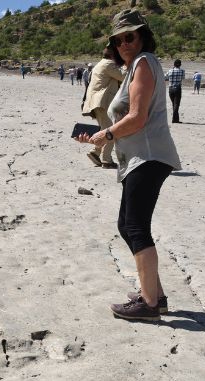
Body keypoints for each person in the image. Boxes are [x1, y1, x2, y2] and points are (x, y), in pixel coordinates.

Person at [75, 9, 181, 321]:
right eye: (118, 39)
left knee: (135, 227)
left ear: (143, 36)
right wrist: (98, 137)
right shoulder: (135, 66)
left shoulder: (144, 62)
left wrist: (106, 133)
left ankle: (149, 305)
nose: (124, 43)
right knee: (128, 225)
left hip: (148, 157)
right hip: (139, 159)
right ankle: (155, 296)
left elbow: (137, 117)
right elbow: (127, 117)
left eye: (130, 36)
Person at [82, 47, 125, 169]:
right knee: (111, 131)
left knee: (105, 129)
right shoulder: (109, 64)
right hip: (103, 102)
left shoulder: (100, 64)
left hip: (97, 103)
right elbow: (124, 76)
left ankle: (95, 152)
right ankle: (106, 160)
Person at [164, 59, 184, 123]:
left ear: (174, 64)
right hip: (177, 88)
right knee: (176, 104)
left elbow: (165, 77)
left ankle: (176, 119)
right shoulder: (182, 71)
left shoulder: (170, 71)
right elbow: (183, 78)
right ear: (180, 64)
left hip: (170, 88)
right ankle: (174, 119)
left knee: (174, 104)